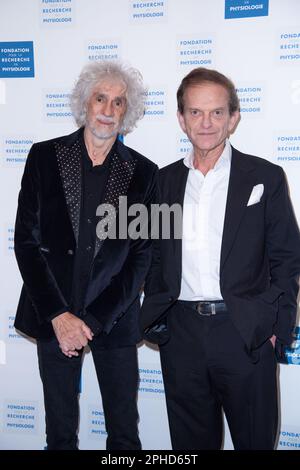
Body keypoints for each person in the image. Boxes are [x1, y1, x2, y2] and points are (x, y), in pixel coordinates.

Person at [140, 67, 300, 450]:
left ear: (233, 117)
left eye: (216, 112)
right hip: (181, 336)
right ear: (181, 119)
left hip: (245, 331)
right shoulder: (162, 183)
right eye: (195, 112)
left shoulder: (266, 176)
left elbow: (286, 257)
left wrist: (275, 323)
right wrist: (159, 315)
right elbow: (154, 255)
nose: (206, 122)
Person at [14, 60, 158, 450]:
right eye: (101, 99)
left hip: (113, 318)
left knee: (124, 435)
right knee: (59, 434)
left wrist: (92, 321)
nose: (108, 110)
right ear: (85, 102)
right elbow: (26, 242)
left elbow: (140, 258)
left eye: (119, 102)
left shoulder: (145, 173)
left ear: (128, 112)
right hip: (53, 315)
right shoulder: (44, 156)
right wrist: (61, 317)